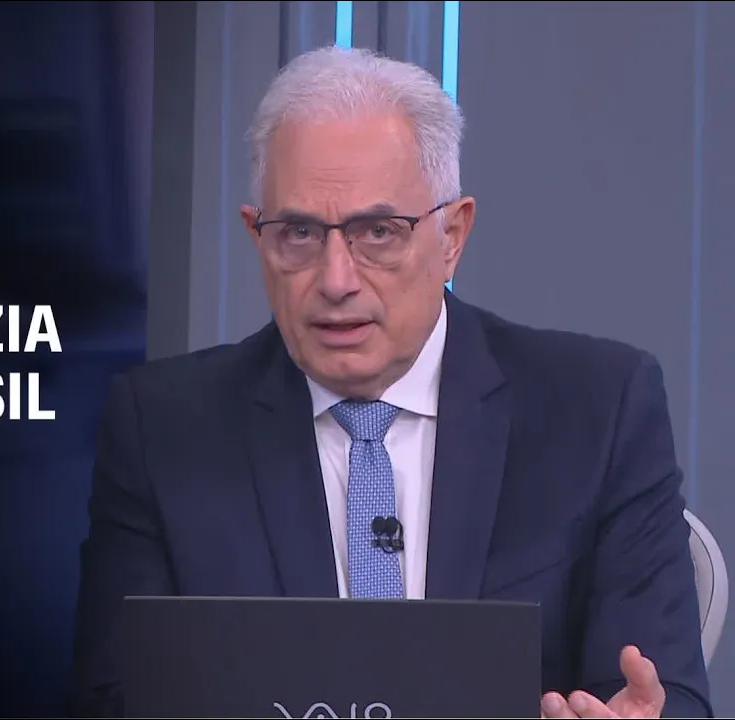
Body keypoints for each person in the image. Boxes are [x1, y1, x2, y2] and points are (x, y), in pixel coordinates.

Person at [66, 46, 711, 719]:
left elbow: (669, 695)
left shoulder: (599, 411)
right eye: (299, 233)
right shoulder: (161, 430)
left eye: (378, 232)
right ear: (258, 238)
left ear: (452, 235)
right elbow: (111, 702)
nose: (336, 280)